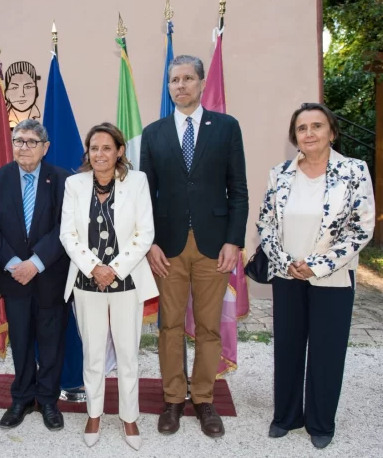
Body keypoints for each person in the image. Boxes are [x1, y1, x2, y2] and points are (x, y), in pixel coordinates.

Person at [140, 55, 248, 438]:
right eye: (174, 80)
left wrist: (234, 240)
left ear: (202, 83)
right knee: (169, 326)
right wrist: (149, 242)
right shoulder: (153, 134)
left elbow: (238, 189)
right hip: (166, 248)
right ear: (168, 87)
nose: (180, 85)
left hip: (213, 246)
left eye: (187, 78)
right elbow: (144, 195)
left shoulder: (226, 127)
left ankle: (203, 398)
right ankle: (172, 399)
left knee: (208, 326)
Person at [256, 103, 374, 450]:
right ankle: (287, 416)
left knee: (327, 349)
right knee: (288, 346)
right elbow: (265, 223)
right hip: (287, 274)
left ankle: (321, 422)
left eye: (316, 126)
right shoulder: (281, 173)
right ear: (295, 136)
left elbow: (361, 227)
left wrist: (317, 264)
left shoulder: (353, 171)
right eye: (302, 128)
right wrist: (286, 260)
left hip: (332, 277)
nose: (309, 133)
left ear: (331, 132)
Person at [60, 123, 157, 450]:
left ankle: (129, 418)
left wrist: (113, 269)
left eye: (106, 147)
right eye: (93, 148)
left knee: (129, 353)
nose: (99, 154)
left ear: (119, 151)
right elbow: (68, 235)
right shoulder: (74, 184)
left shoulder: (138, 181)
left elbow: (145, 233)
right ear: (87, 153)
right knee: (94, 353)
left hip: (127, 282)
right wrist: (94, 268)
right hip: (87, 284)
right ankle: (94, 414)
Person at [0, 119, 70, 431]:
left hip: (49, 275)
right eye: (19, 140)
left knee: (51, 342)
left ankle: (47, 399)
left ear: (45, 147)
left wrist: (35, 262)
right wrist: (13, 264)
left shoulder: (62, 179)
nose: (24, 147)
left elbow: (65, 227)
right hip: (14, 278)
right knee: (20, 341)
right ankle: (21, 397)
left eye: (32, 141)